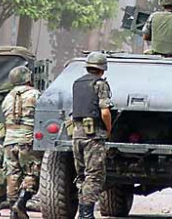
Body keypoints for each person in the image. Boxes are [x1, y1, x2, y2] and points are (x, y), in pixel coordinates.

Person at [71, 52, 114, 219]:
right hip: (93, 135)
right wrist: (108, 129)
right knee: (94, 175)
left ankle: (83, 213)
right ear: (102, 69)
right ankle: (86, 214)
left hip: (77, 134)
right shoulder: (100, 84)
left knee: (82, 175)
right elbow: (105, 111)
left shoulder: (77, 83)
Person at [2, 65, 42, 219]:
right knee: (32, 172)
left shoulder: (7, 97)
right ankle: (21, 203)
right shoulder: (35, 94)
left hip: (9, 140)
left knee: (12, 174)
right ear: (28, 78)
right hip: (27, 140)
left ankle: (13, 210)